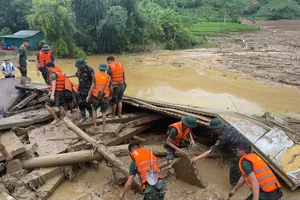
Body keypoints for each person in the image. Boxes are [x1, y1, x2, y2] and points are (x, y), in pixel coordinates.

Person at [191, 118, 249, 187]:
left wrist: (197, 158)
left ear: (217, 129)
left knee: (234, 169)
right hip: (246, 145)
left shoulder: (224, 137)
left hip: (241, 151)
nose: (213, 131)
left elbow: (211, 152)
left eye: (213, 129)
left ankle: (234, 185)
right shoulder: (230, 127)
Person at [66, 58, 94, 123]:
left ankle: (91, 116)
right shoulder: (79, 69)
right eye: (78, 67)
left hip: (88, 90)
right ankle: (83, 116)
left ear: (84, 65)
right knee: (81, 103)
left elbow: (93, 82)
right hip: (80, 89)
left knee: (88, 104)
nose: (79, 68)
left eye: (80, 67)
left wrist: (91, 92)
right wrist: (68, 76)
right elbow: (76, 74)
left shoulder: (90, 70)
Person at [86, 63, 112, 129]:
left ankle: (95, 125)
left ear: (99, 68)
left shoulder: (95, 75)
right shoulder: (108, 77)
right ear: (105, 69)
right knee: (104, 111)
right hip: (105, 96)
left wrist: (89, 96)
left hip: (96, 96)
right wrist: (110, 95)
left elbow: (92, 86)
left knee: (94, 109)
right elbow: (111, 87)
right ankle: (104, 126)